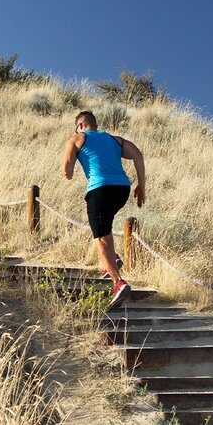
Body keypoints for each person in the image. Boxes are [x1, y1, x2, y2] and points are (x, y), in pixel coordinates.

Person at [60, 110, 146, 308]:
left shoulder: (77, 138)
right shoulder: (114, 140)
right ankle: (113, 260)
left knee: (99, 237)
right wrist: (141, 186)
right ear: (94, 125)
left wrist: (69, 170)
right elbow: (137, 154)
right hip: (122, 189)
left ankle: (118, 283)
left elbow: (66, 171)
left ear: (80, 126)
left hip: (100, 189)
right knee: (105, 225)